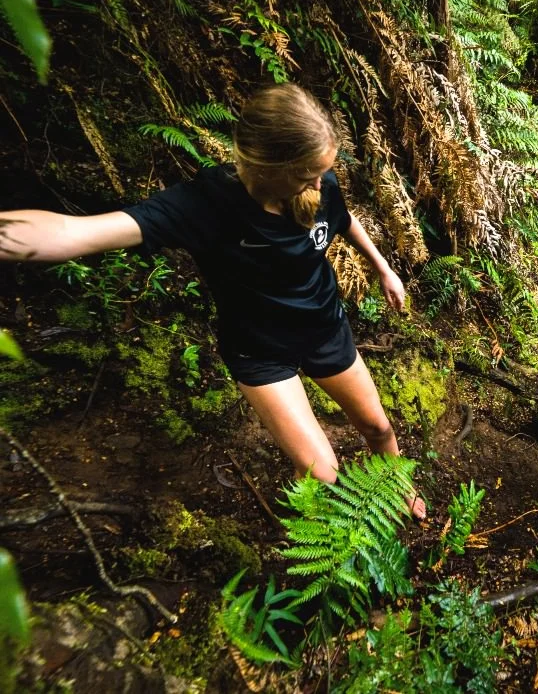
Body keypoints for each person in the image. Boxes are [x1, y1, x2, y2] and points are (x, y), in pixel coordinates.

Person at [0, 83, 426, 518]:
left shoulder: (321, 184)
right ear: (267, 165)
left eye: (321, 173)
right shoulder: (202, 206)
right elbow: (75, 233)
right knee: (319, 472)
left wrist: (383, 267)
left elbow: (344, 219)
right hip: (261, 351)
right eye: (306, 176)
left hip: (325, 327)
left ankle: (396, 484)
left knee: (377, 427)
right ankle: (318, 543)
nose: (318, 183)